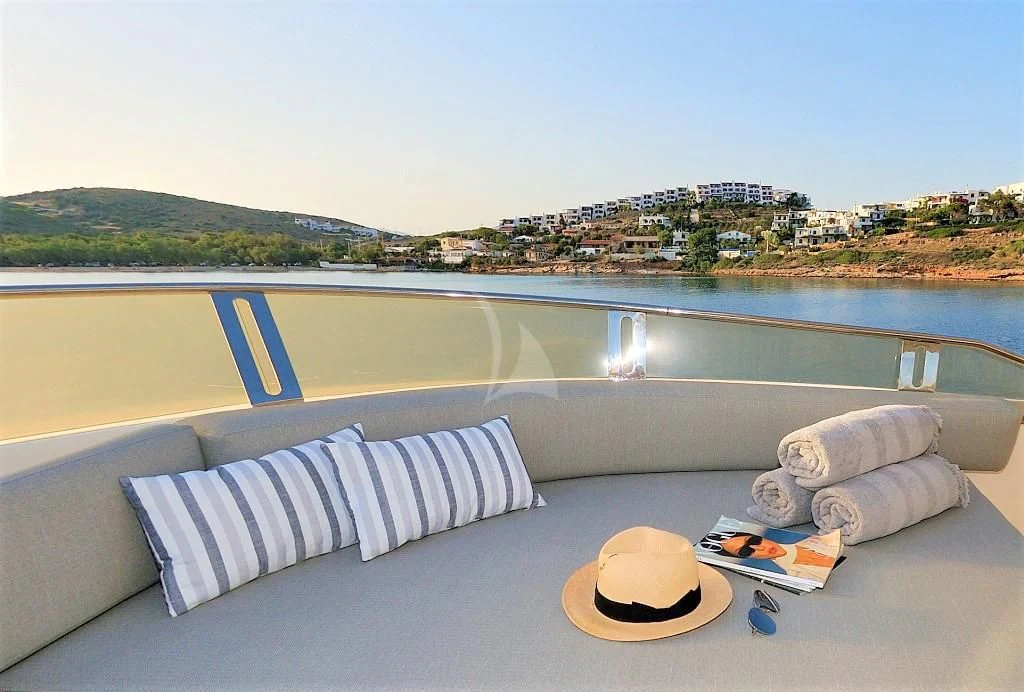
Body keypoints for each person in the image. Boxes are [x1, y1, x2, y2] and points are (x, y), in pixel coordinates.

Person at [718, 531, 835, 581]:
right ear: (746, 558)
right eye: (745, 551)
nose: (760, 548)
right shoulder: (797, 576)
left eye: (753, 540)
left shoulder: (821, 539)